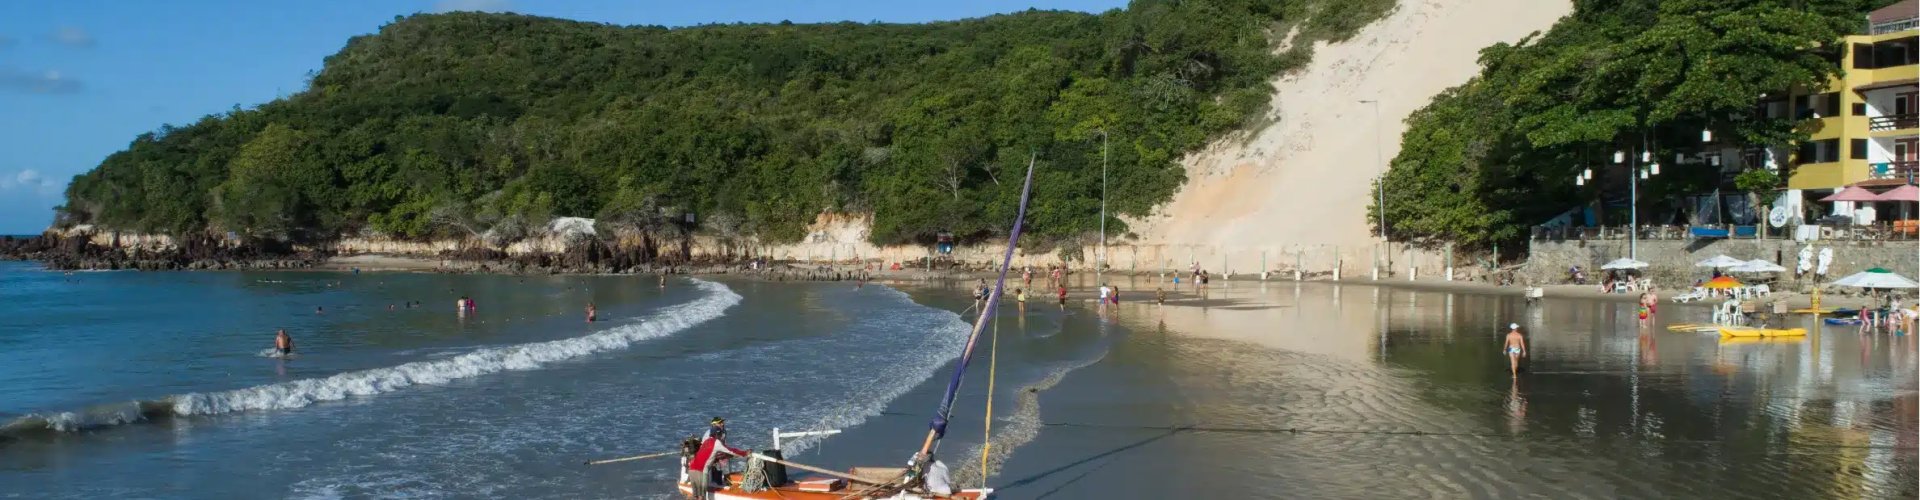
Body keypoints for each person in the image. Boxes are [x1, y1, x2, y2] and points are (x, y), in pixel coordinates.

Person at [688, 424, 750, 497]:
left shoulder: (706, 441)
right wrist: (745, 453)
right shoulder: (716, 442)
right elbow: (731, 451)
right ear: (717, 435)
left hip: (691, 470)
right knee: (701, 496)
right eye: (720, 435)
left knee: (695, 496)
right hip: (701, 472)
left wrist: (716, 459)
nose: (721, 437)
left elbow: (706, 455)